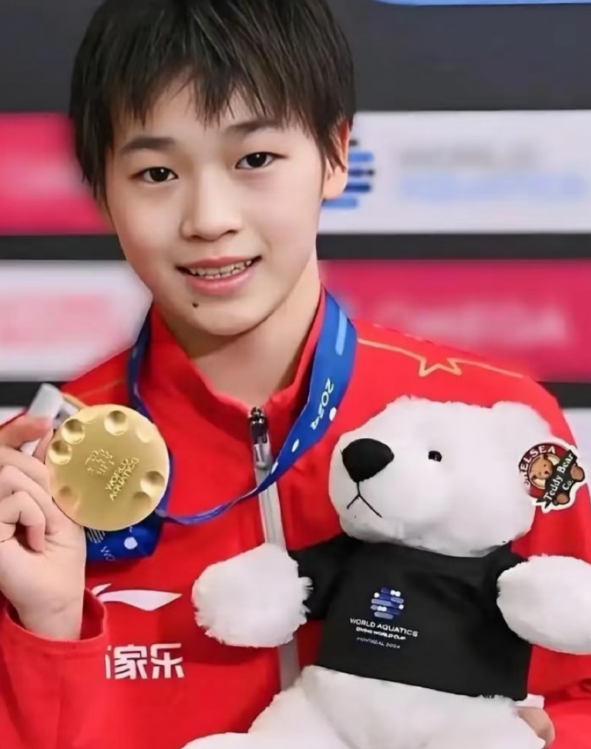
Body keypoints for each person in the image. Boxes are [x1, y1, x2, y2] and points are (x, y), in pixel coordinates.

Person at [0, 1, 589, 747]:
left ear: (335, 155)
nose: (209, 218)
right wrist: (48, 626)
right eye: (156, 172)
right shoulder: (47, 473)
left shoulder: (496, 423)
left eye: (254, 159)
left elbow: (579, 687)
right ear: (102, 191)